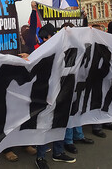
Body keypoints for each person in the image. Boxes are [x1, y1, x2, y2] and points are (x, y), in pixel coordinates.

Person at [35, 23, 76, 169]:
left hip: (63, 92)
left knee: (60, 123)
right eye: (43, 38)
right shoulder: (40, 51)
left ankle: (58, 152)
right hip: (46, 95)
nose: (45, 40)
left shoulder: (65, 48)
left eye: (48, 37)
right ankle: (40, 157)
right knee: (44, 126)